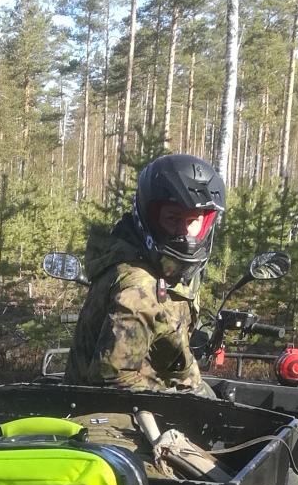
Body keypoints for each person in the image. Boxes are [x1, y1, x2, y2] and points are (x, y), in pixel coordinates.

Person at [65, 153, 227, 395]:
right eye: (173, 218)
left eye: (193, 221)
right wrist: (182, 400)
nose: (184, 232)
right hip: (123, 414)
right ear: (150, 218)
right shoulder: (139, 285)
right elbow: (112, 379)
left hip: (151, 398)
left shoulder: (165, 271)